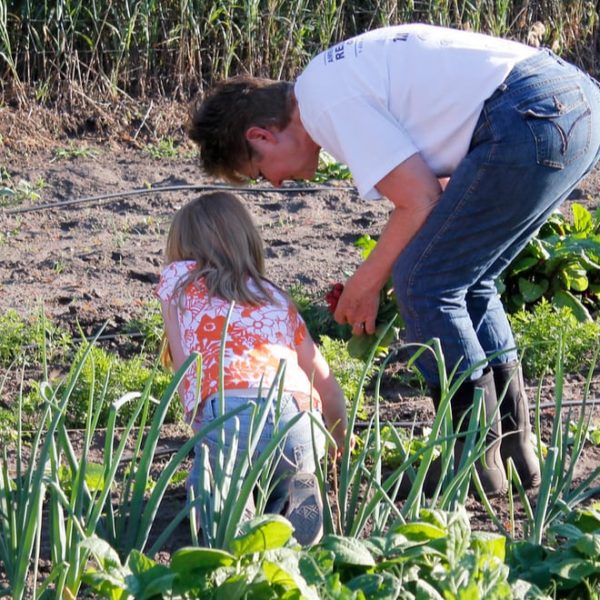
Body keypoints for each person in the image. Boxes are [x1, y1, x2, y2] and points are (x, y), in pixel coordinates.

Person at [186, 23, 600, 496]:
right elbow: (440, 195)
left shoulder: (325, 104)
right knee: (467, 281)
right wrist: (376, 276)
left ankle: (475, 464)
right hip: (569, 106)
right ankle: (513, 452)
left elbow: (419, 200)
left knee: (425, 283)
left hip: (531, 115)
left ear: (261, 136)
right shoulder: (332, 83)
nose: (275, 185)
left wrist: (367, 284)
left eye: (259, 173)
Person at [156, 191, 348, 544]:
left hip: (230, 411)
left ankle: (235, 530)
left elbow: (185, 366)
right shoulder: (273, 295)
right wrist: (338, 444)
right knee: (292, 480)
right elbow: (327, 385)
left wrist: (196, 414)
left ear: (183, 250)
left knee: (219, 506)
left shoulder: (179, 282)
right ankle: (298, 500)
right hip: (298, 415)